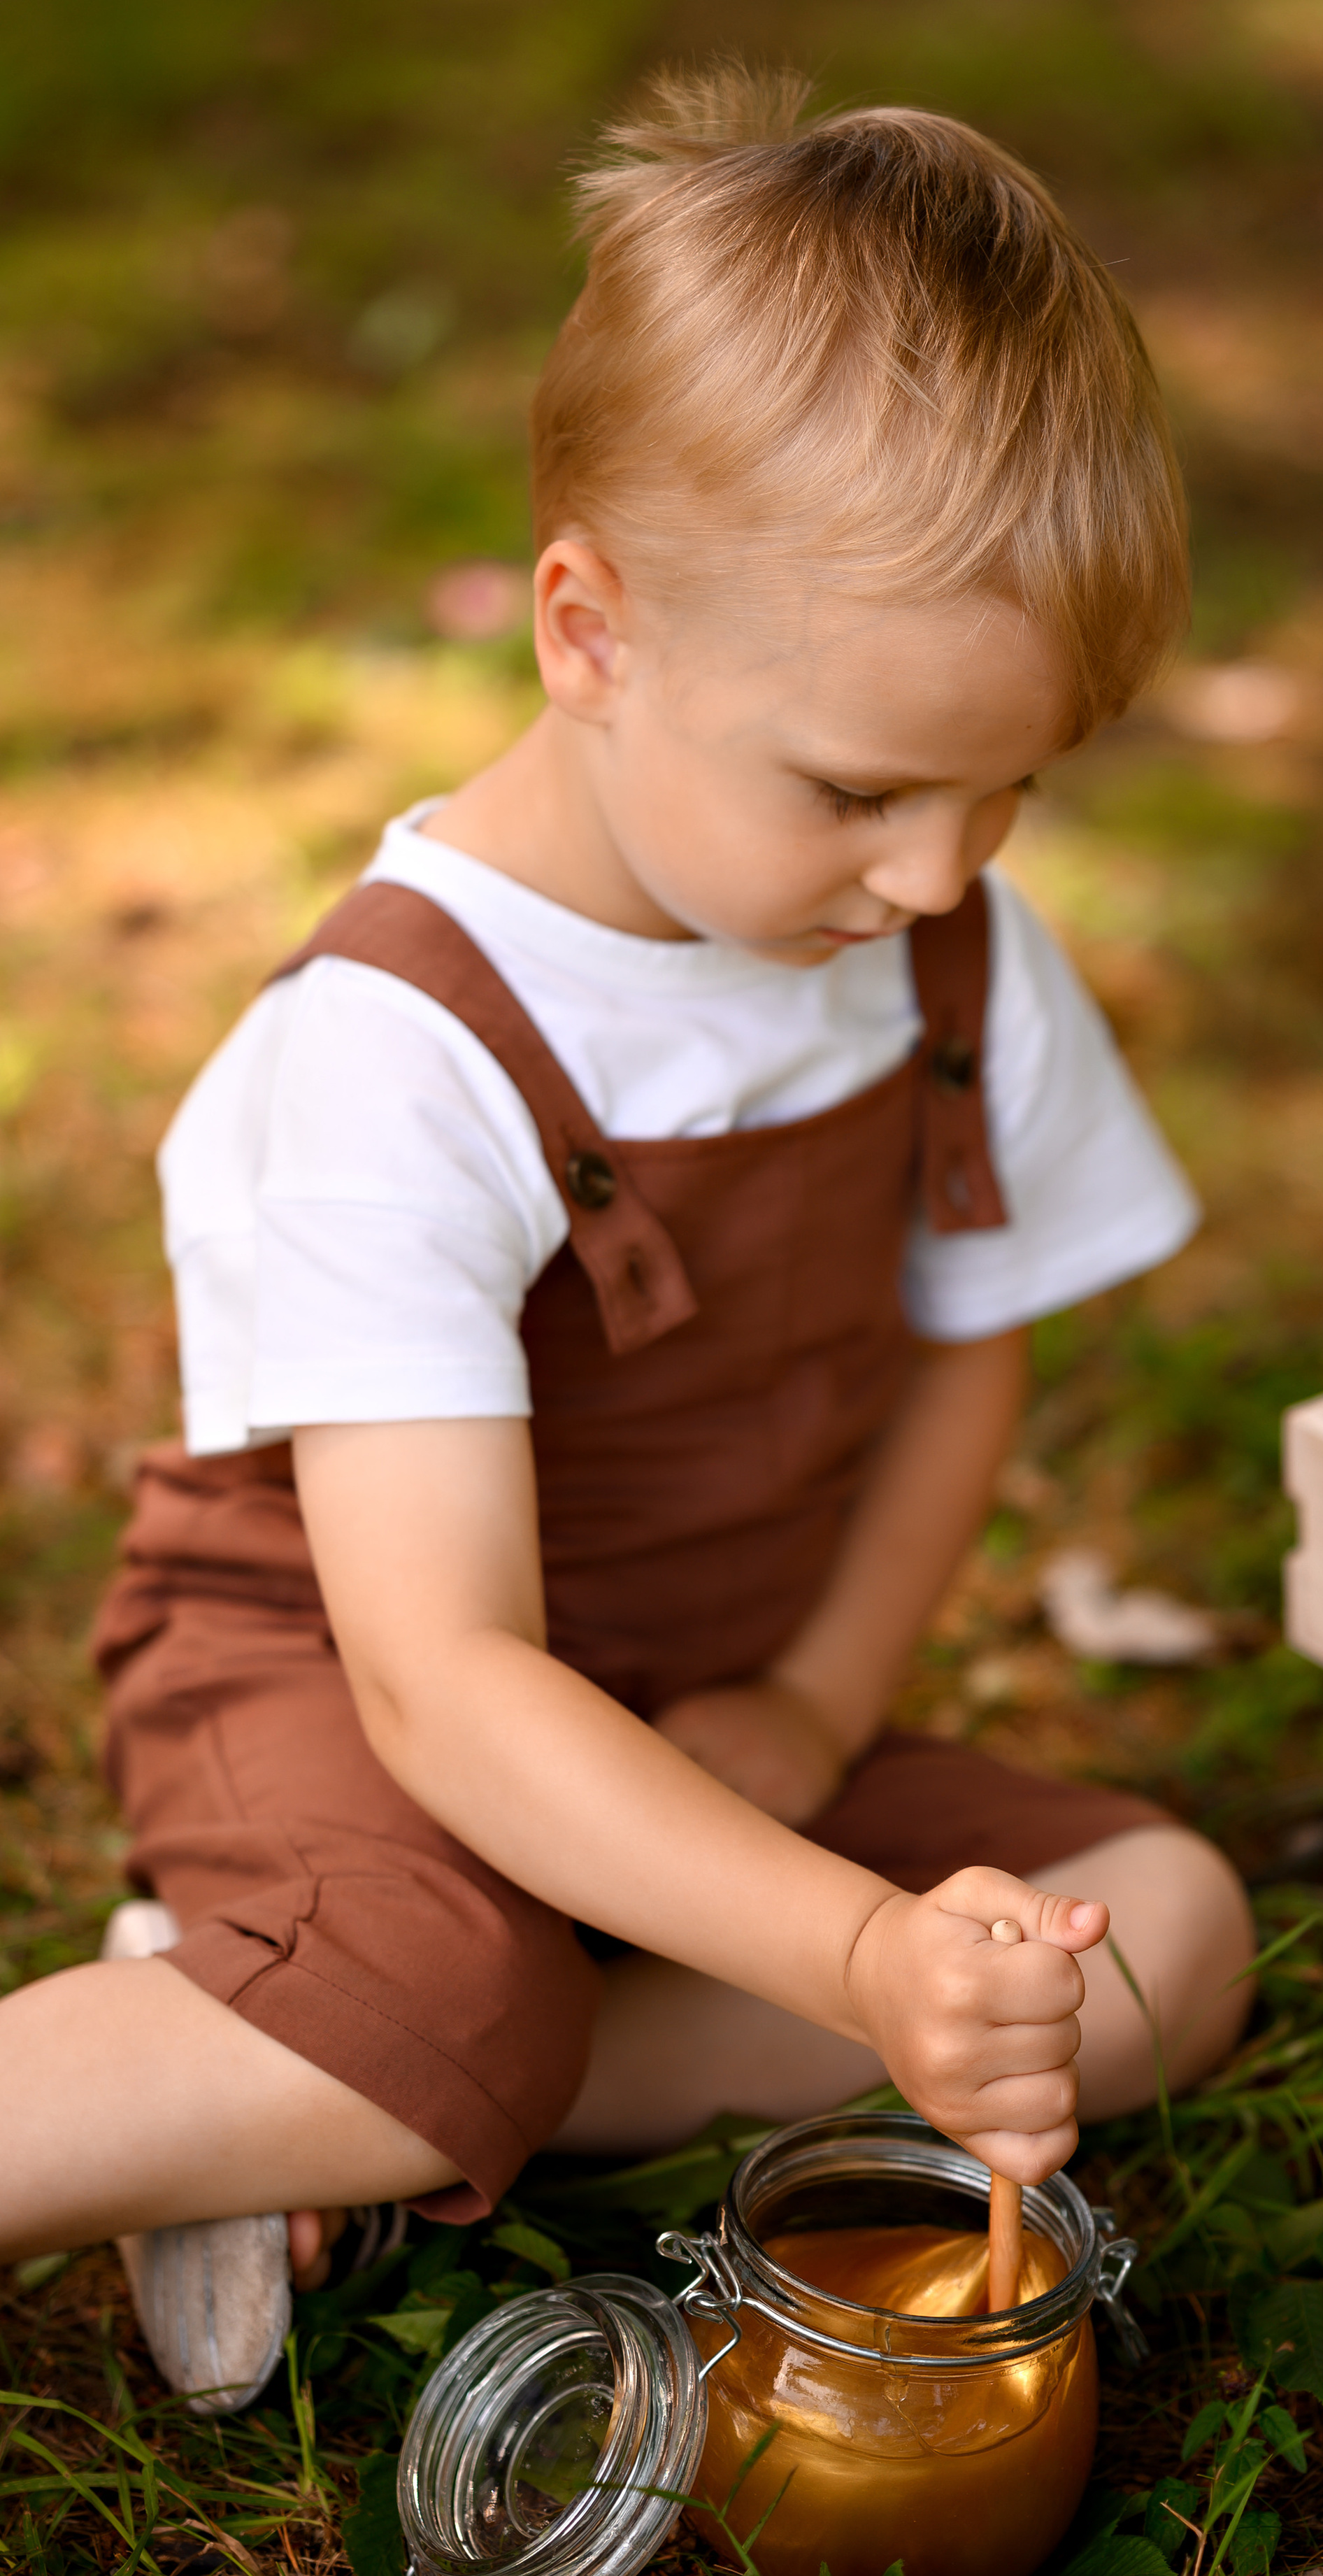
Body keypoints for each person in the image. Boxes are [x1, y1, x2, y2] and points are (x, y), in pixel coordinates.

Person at [0, 64, 1254, 2410]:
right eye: (863, 789)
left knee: (1159, 1940)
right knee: (464, 1966)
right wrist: (863, 1953)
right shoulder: (403, 1049)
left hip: (712, 1708)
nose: (940, 876)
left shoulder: (944, 955)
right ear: (589, 630)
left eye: (1014, 789)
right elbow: (443, 1676)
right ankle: (318, 2036)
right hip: (359, 1684)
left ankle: (322, 2085)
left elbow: (962, 1347)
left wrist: (812, 1715)